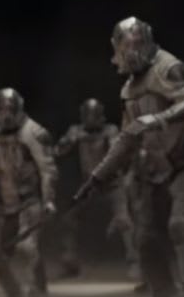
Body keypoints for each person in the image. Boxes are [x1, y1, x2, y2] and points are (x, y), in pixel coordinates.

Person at [76, 18, 184, 297]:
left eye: (136, 45)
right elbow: (127, 138)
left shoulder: (170, 68)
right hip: (156, 171)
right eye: (126, 46)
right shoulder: (129, 89)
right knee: (146, 240)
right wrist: (98, 176)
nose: (130, 52)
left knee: (182, 226)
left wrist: (160, 118)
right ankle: (165, 296)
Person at [0, 89, 56, 297]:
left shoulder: (34, 133)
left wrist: (48, 199)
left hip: (30, 202)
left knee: (27, 248)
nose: (6, 115)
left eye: (9, 110)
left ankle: (37, 294)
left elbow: (47, 170)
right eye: (2, 110)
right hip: (7, 206)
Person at [52, 98, 139, 281]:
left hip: (112, 183)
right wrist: (68, 141)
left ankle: (135, 263)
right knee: (68, 219)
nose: (91, 119)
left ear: (101, 116)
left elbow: (118, 151)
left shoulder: (110, 130)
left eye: (94, 115)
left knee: (124, 220)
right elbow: (58, 152)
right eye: (88, 115)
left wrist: (99, 139)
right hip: (89, 184)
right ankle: (70, 263)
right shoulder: (76, 130)